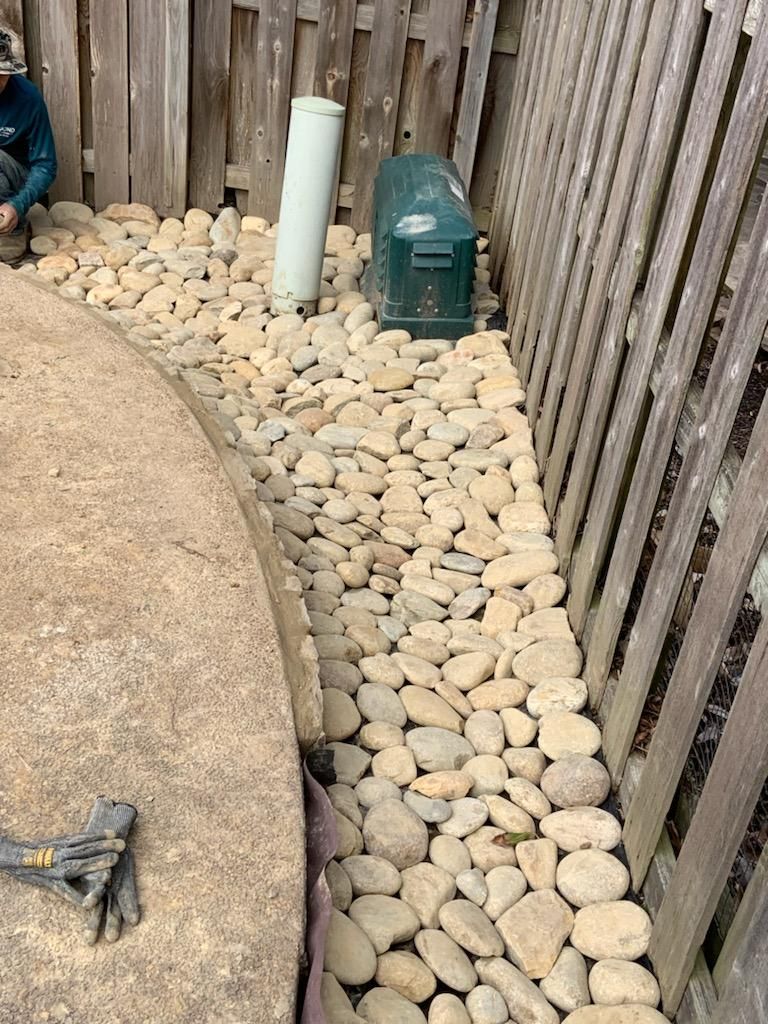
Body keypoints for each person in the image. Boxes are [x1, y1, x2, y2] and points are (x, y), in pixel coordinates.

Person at [0, 28, 57, 261]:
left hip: (14, 176)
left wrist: (18, 204)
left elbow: (46, 165)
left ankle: (12, 227)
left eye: (1, 74)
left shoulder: (28, 98)